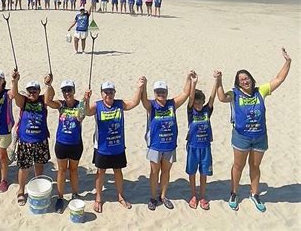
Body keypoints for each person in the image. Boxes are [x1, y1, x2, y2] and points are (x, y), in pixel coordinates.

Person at [215, 48, 292, 212]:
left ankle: (254, 194)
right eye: (241, 79)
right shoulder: (234, 94)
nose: (244, 81)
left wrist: (288, 62)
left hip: (259, 136)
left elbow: (279, 78)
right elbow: (221, 98)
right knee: (238, 166)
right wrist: (219, 80)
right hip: (241, 137)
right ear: (237, 83)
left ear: (251, 79)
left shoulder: (260, 91)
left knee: (255, 166)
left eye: (246, 78)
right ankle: (234, 193)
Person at [84, 79, 144, 213]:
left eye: (111, 92)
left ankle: (120, 196)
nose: (108, 95)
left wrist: (139, 87)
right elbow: (87, 112)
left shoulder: (119, 104)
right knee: (100, 172)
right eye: (106, 92)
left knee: (118, 171)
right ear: (101, 94)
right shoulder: (98, 105)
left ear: (114, 93)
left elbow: (134, 103)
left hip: (118, 147)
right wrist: (86, 98)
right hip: (102, 147)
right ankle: (98, 198)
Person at [141, 72, 193, 210]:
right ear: (155, 92)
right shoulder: (151, 105)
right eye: (158, 91)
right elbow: (143, 99)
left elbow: (185, 93)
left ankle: (163, 196)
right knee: (154, 172)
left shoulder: (172, 104)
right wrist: (144, 85)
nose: (161, 94)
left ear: (167, 92)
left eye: (163, 91)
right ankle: (153, 197)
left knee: (166, 172)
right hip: (155, 146)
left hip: (170, 145)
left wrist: (188, 78)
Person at [45, 78, 85, 213]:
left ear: (73, 91)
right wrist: (49, 85)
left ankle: (75, 193)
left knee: (74, 170)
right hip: (62, 143)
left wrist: (86, 99)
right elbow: (47, 101)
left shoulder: (79, 104)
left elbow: (81, 116)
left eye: (69, 90)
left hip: (76, 144)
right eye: (64, 90)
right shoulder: (60, 104)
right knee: (62, 170)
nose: (67, 93)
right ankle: (60, 197)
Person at [11, 71, 51, 206]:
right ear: (27, 92)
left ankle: (38, 186)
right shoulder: (24, 101)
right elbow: (15, 95)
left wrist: (49, 85)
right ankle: (21, 191)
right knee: (24, 167)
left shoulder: (42, 100)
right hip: (25, 141)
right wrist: (15, 81)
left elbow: (50, 95)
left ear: (39, 91)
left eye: (35, 90)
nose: (32, 93)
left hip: (41, 140)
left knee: (39, 165)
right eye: (30, 90)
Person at [186, 73, 217, 210]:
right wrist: (194, 83)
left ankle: (202, 195)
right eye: (196, 102)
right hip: (193, 147)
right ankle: (193, 194)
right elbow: (191, 98)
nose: (198, 104)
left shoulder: (206, 111)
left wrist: (217, 80)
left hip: (205, 147)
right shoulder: (191, 112)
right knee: (192, 172)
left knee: (204, 172)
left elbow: (212, 98)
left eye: (200, 102)